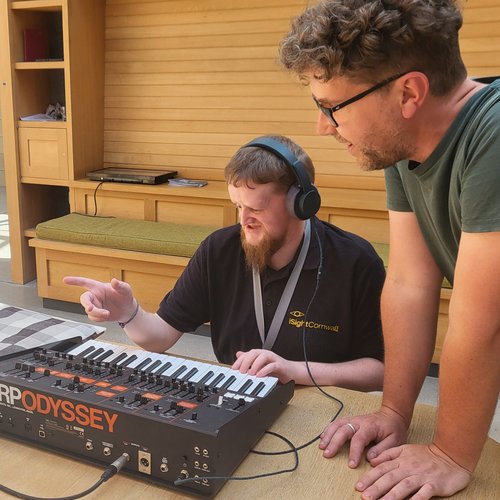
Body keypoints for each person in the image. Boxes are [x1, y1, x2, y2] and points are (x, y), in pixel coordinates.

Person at [279, 0, 500, 498]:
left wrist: (449, 452)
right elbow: (407, 285)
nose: (323, 128)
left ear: (409, 92)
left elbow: (483, 322)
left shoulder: (495, 137)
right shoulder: (405, 143)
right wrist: (394, 411)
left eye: (331, 107)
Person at [64, 134, 385, 391]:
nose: (244, 220)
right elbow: (160, 337)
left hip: (322, 403)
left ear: (301, 204)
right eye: (237, 206)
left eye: (256, 209)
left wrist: (294, 370)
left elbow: (379, 371)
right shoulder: (219, 250)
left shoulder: (356, 262)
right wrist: (128, 313)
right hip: (237, 396)